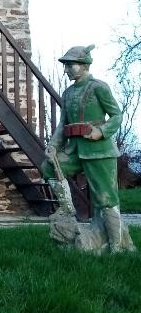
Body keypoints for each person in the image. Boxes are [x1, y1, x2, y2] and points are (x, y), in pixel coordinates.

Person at [41, 44, 124, 251]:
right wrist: (53, 145)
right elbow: (63, 124)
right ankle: (66, 208)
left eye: (71, 65)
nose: (67, 69)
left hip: (99, 151)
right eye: (66, 65)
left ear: (85, 65)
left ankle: (117, 246)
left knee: (106, 198)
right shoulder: (68, 93)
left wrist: (101, 132)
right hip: (75, 150)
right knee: (50, 166)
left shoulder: (99, 87)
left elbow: (116, 115)